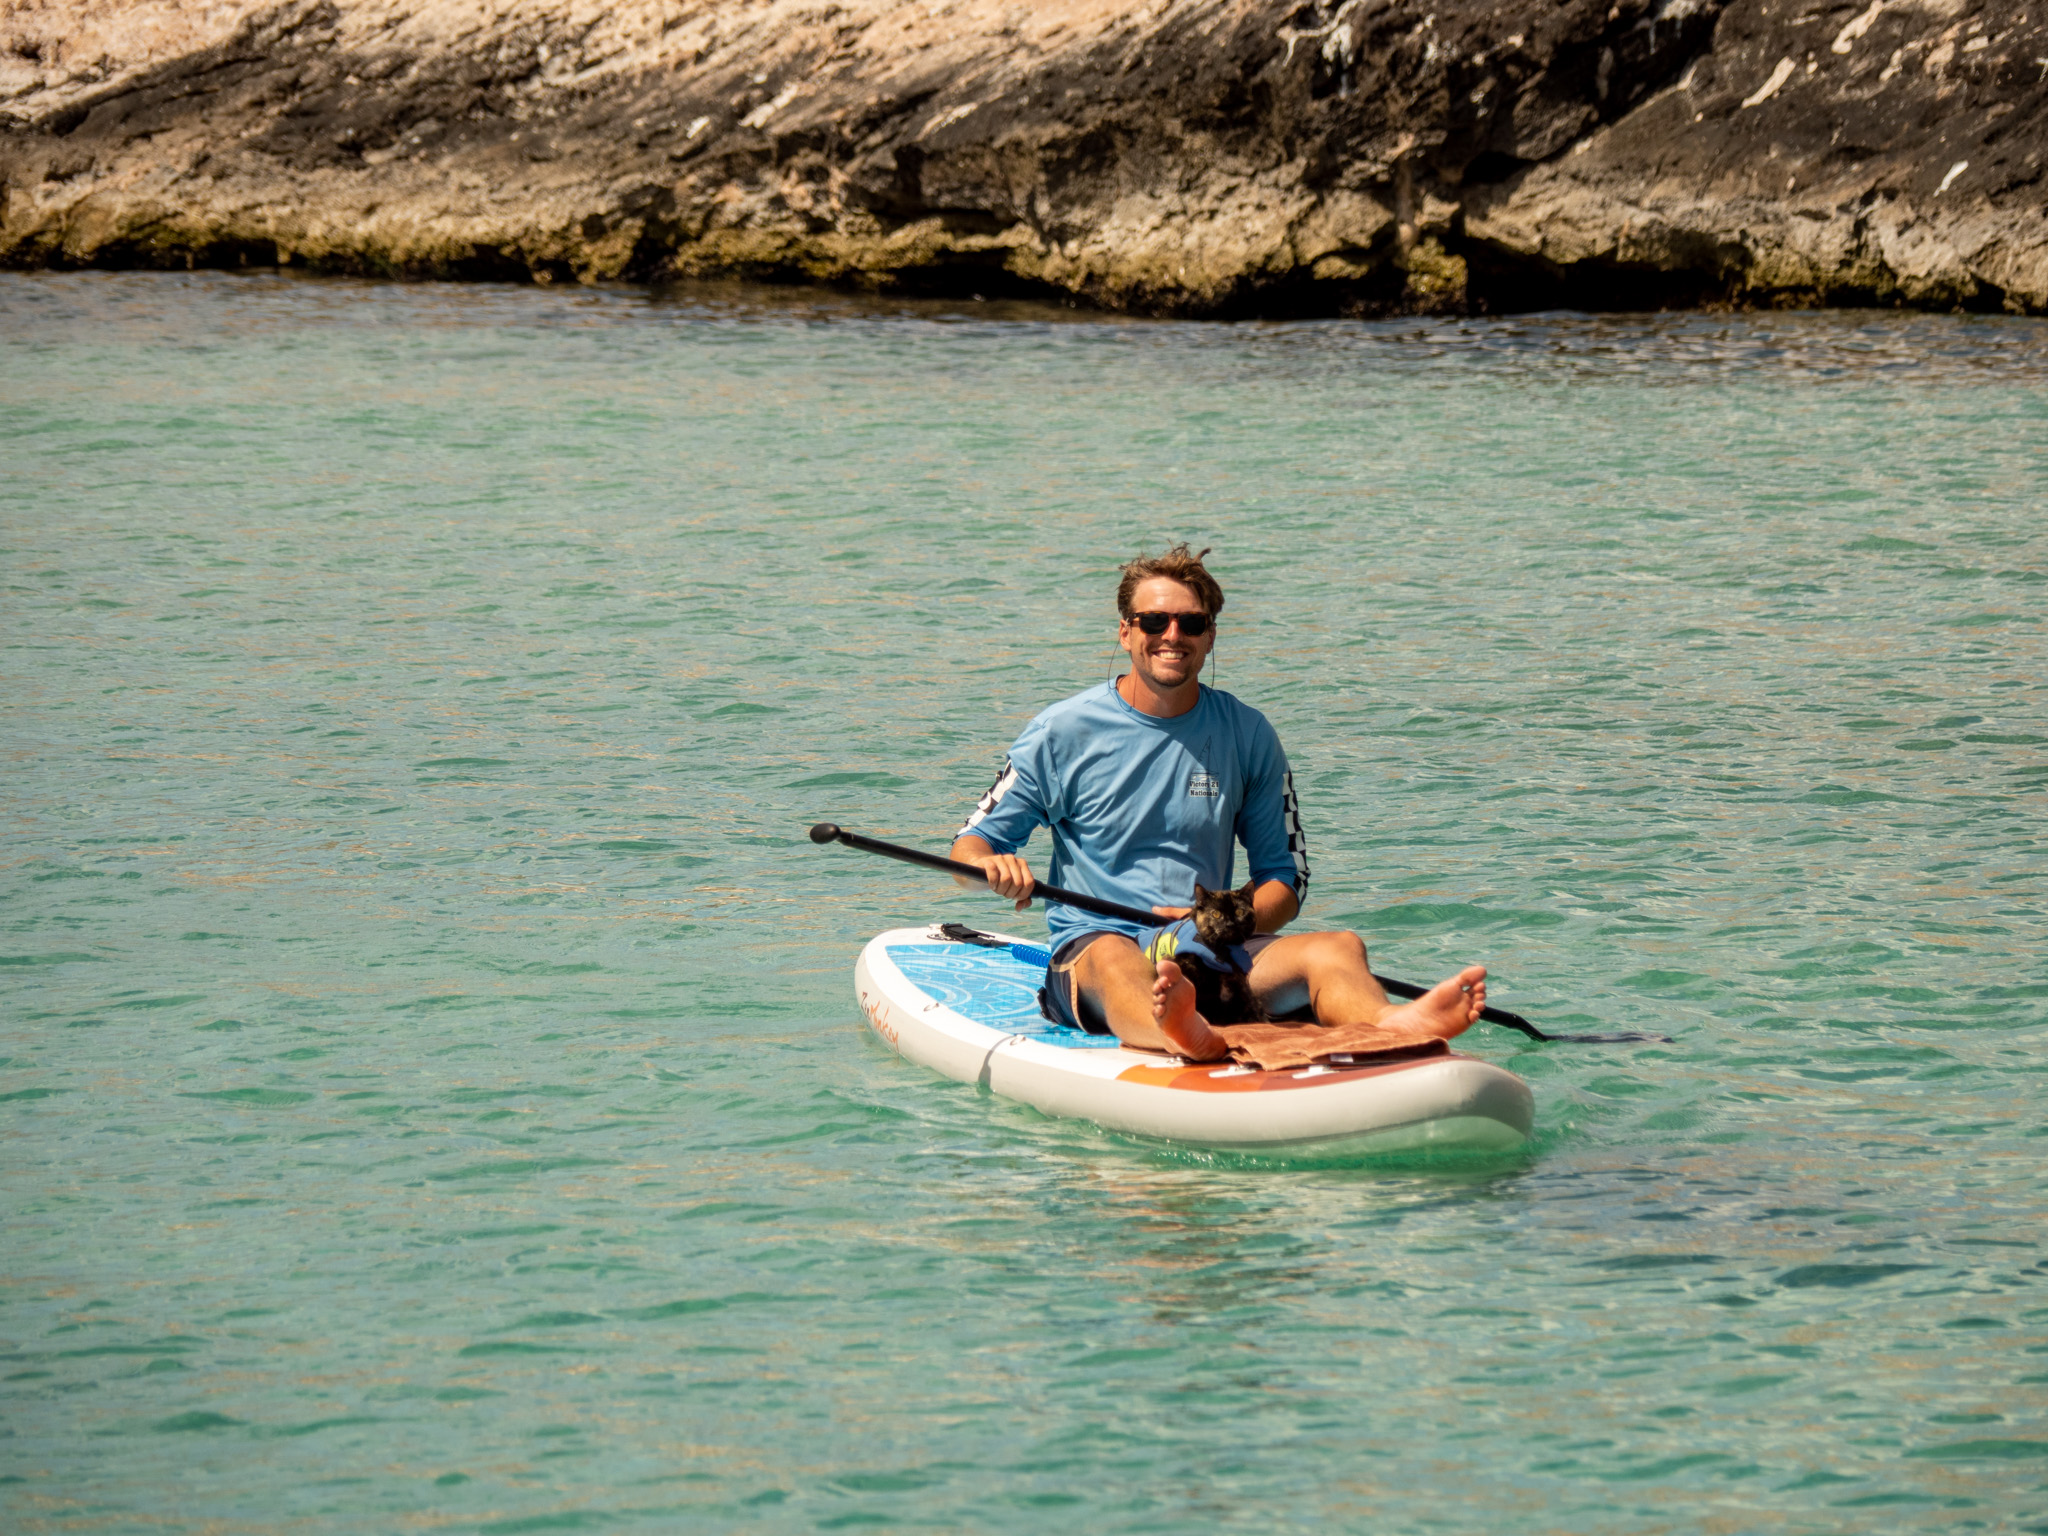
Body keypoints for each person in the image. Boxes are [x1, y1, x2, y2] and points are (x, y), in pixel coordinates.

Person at [948, 544, 1488, 1061]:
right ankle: (1178, 1034)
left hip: (1209, 949)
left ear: (1210, 637)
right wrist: (991, 865)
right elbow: (968, 851)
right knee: (1116, 958)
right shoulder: (1061, 732)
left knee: (1339, 946)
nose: (1173, 635)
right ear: (1125, 630)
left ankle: (1390, 1026)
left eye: (1192, 623)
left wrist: (1231, 921)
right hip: (1094, 951)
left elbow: (1285, 878)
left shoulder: (1248, 734)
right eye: (1154, 621)